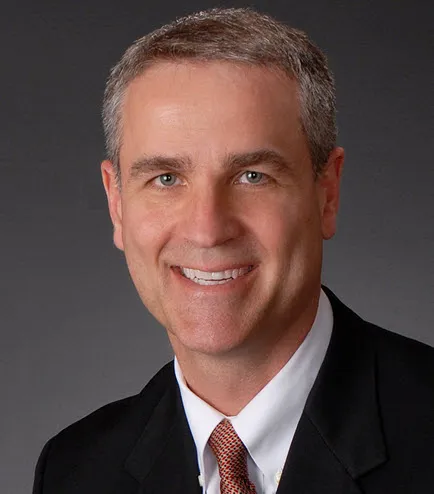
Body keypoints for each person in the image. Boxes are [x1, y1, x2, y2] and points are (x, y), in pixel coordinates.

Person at [33, 7, 434, 494]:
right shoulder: (75, 471)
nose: (206, 230)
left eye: (252, 176)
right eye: (166, 178)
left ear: (327, 192)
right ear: (116, 203)